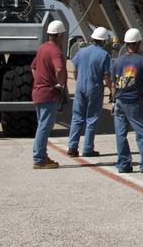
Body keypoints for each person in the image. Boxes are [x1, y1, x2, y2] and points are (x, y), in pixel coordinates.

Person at [111, 28, 143, 174]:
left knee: (121, 135)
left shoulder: (117, 62)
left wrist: (114, 101)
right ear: (138, 43)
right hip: (134, 102)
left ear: (126, 43)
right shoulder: (142, 61)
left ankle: (123, 164)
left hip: (119, 101)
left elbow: (113, 84)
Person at [30, 19, 69, 170]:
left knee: (42, 125)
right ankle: (39, 158)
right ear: (59, 35)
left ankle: (42, 155)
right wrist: (60, 85)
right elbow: (59, 69)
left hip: (39, 91)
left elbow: (33, 67)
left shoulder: (42, 48)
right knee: (45, 127)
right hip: (49, 94)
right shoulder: (56, 51)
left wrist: (40, 80)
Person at [66, 27, 112, 157]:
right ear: (104, 41)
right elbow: (107, 76)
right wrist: (111, 90)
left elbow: (74, 70)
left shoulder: (81, 52)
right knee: (91, 118)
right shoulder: (104, 55)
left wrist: (79, 81)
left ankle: (72, 146)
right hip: (94, 88)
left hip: (80, 86)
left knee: (77, 117)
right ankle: (87, 148)